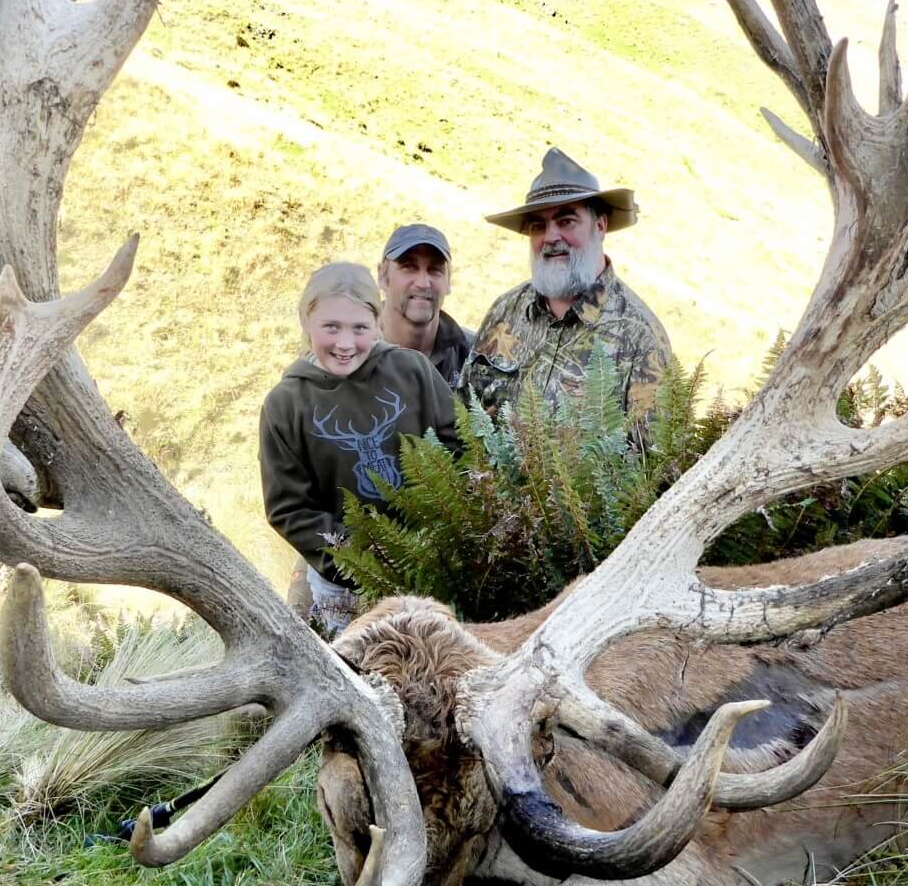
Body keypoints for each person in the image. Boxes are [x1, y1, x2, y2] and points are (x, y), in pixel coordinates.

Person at [261, 261, 460, 635]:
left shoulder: (412, 371)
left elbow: (458, 447)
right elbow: (289, 508)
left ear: (379, 322)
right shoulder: (285, 404)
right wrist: (359, 557)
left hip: (431, 571)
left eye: (360, 328)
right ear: (305, 321)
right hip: (344, 591)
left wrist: (437, 537)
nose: (345, 343)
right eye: (331, 327)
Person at [462, 147, 673, 418]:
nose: (551, 237)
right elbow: (464, 422)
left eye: (566, 221)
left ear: (600, 227)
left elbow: (652, 458)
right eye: (538, 226)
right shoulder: (504, 313)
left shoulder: (641, 338)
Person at [377, 223, 472, 388]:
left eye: (434, 269)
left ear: (449, 281)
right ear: (383, 277)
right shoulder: (349, 351)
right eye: (409, 267)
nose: (423, 283)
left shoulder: (471, 355)